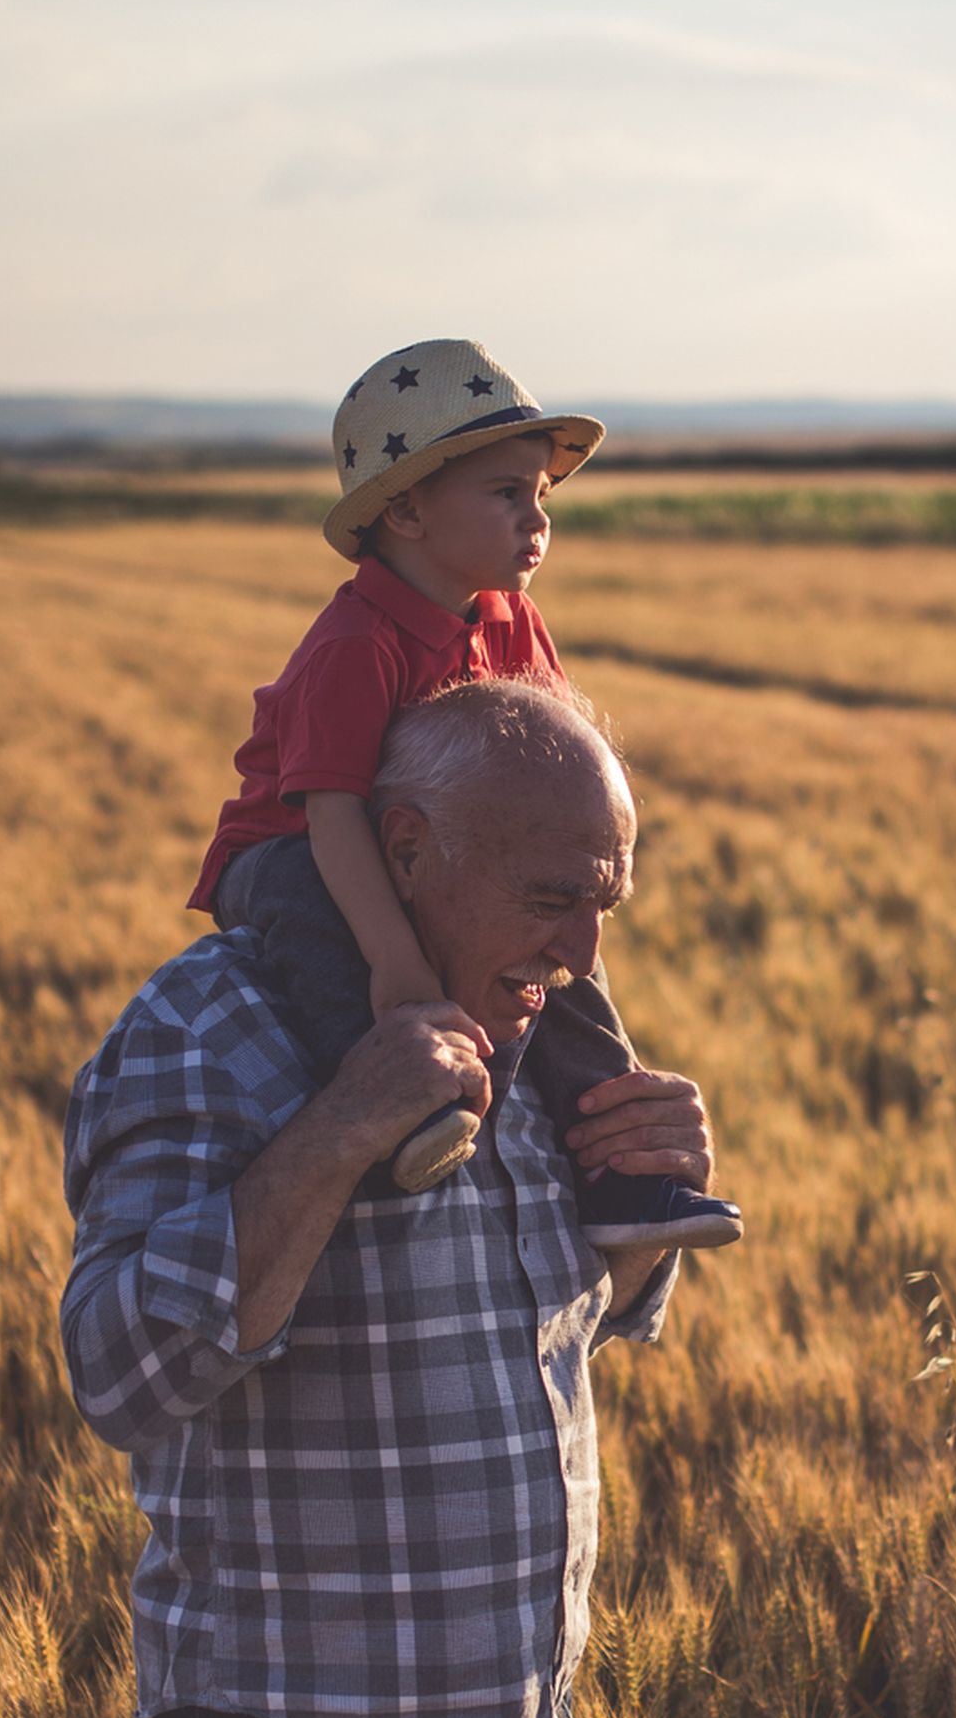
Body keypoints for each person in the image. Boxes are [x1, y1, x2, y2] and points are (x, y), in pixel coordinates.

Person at [61, 676, 715, 1718]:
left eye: (607, 903)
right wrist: (345, 1123)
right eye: (551, 897)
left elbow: (569, 1320)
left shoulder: (539, 1041)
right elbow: (124, 1371)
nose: (584, 949)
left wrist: (648, 1215)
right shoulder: (211, 1035)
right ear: (406, 849)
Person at [186, 337, 742, 1256]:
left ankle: (617, 1171)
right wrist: (398, 965)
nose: (537, 518)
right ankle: (401, 1120)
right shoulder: (354, 643)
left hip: (430, 849)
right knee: (330, 948)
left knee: (555, 955)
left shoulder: (513, 621)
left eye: (542, 495)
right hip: (288, 851)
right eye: (505, 493)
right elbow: (331, 818)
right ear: (405, 510)